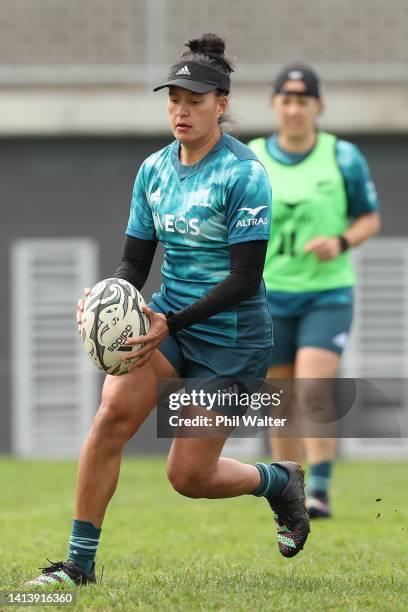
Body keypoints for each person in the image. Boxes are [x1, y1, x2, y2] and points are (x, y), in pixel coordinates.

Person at [27, 35, 309, 587]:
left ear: (221, 105)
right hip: (167, 323)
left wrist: (168, 323)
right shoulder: (153, 170)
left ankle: (278, 481)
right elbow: (135, 262)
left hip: (230, 340)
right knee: (110, 417)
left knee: (188, 476)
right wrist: (108, 298)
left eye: (196, 100)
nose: (182, 109)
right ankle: (77, 565)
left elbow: (245, 279)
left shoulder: (244, 173)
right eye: (174, 98)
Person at [248, 63, 381, 519]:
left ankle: (320, 488)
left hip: (327, 293)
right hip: (269, 295)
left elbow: (369, 218)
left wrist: (341, 241)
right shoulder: (253, 156)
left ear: (318, 106)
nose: (294, 109)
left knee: (313, 387)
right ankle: (291, 489)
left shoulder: (342, 156)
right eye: (286, 100)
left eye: (303, 101)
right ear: (275, 105)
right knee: (279, 399)